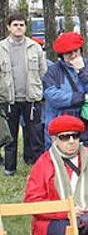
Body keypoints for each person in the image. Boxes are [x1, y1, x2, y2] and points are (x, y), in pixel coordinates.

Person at [43, 32, 88, 150]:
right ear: (61, 54)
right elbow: (52, 96)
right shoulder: (53, 71)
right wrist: (81, 98)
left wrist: (83, 72)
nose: (74, 55)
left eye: (76, 51)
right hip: (63, 127)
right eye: (69, 53)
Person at [1, 11, 47, 176]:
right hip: (10, 99)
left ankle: (39, 170)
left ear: (26, 27)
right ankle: (9, 169)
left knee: (35, 135)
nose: (19, 28)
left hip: (32, 98)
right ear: (9, 27)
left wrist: (41, 93)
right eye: (15, 25)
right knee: (10, 137)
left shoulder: (35, 47)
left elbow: (43, 72)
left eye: (21, 25)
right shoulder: (1, 48)